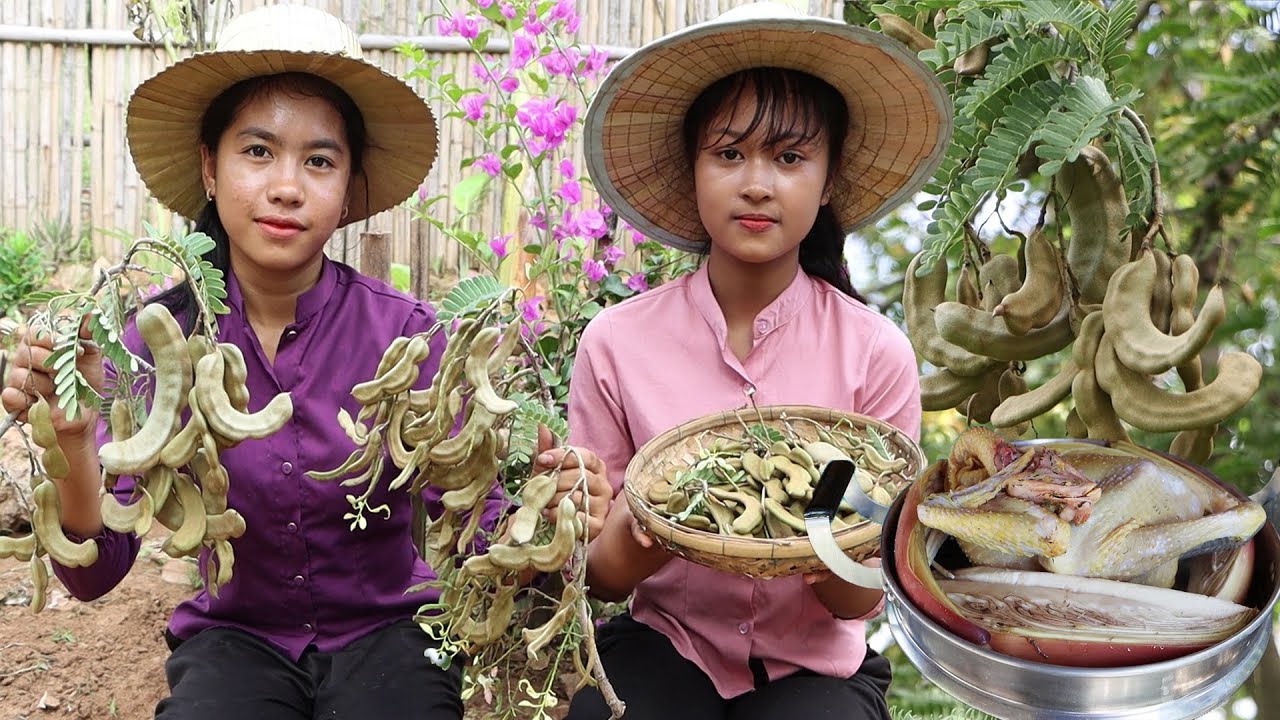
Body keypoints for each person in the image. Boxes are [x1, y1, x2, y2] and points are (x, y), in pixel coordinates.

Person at [0, 5, 609, 719]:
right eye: (257, 151)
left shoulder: (405, 336)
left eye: (319, 160)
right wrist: (74, 438)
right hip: (235, 639)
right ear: (209, 165)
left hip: (393, 633)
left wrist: (549, 505)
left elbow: (479, 534)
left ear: (349, 187)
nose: (287, 185)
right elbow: (97, 573)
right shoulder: (149, 345)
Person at [565, 3, 952, 718]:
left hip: (818, 669)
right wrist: (649, 524)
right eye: (729, 153)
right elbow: (602, 578)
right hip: (666, 644)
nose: (757, 184)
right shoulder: (617, 342)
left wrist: (819, 533)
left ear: (830, 179)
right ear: (693, 170)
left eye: (790, 157)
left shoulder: (874, 354)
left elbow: (863, 594)